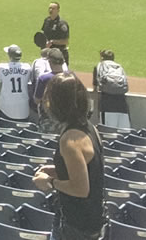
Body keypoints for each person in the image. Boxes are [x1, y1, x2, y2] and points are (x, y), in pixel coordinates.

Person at [33, 74, 106, 240]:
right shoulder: (90, 128)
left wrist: (49, 182)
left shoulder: (70, 140)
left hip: (75, 227)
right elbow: (89, 169)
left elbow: (80, 189)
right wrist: (57, 170)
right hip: (89, 222)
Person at [92, 49, 132, 129]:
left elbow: (95, 88)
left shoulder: (99, 66)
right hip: (122, 105)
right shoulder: (119, 67)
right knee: (124, 134)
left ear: (102, 58)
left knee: (107, 133)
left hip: (107, 105)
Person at [0, 45, 34, 123]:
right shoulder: (27, 67)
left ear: (9, 55)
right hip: (23, 109)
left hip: (6, 108)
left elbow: (0, 80)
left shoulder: (2, 67)